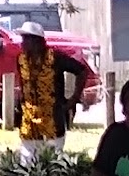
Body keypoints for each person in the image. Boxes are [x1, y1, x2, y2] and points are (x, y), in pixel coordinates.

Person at [15, 21, 89, 160]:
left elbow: (82, 71)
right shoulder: (20, 59)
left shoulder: (55, 58)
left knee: (54, 160)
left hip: (53, 119)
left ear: (37, 41)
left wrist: (73, 99)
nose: (22, 43)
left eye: (26, 39)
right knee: (27, 162)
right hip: (29, 120)